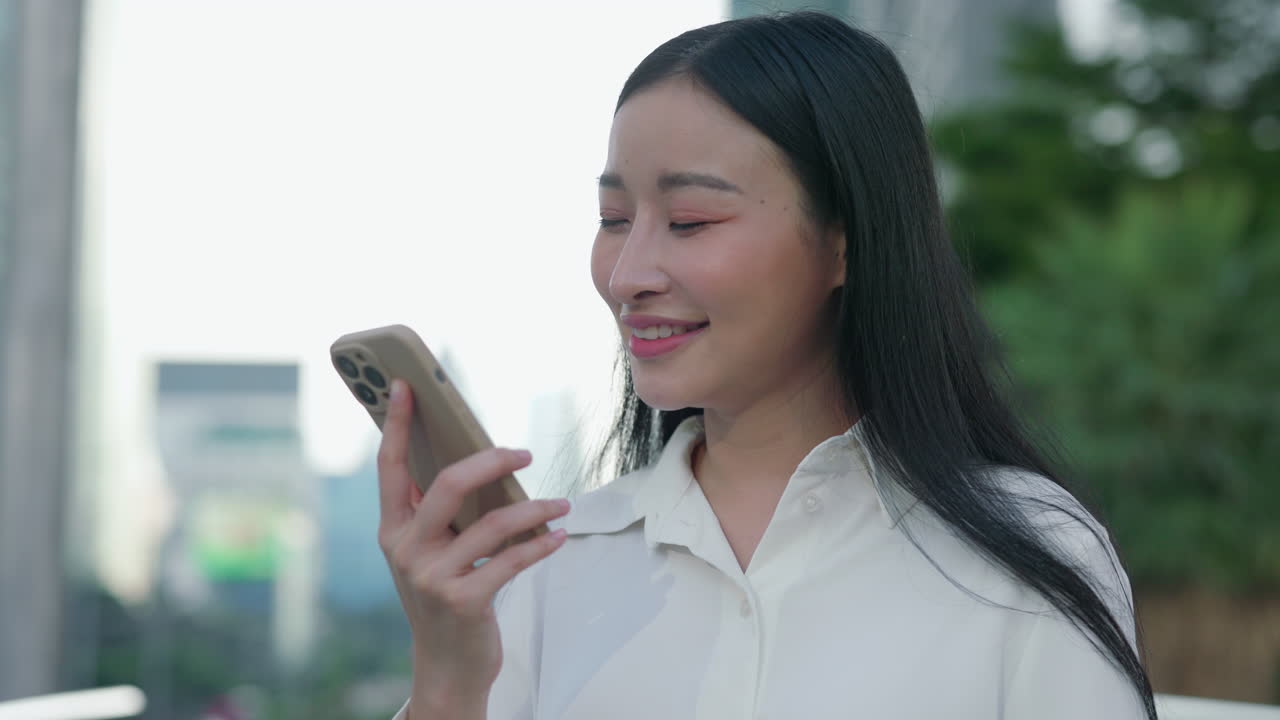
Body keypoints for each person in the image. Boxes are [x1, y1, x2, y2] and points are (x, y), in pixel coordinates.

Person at [379, 11, 1157, 720]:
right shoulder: (550, 567)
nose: (626, 275)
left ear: (846, 240)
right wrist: (446, 679)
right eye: (614, 218)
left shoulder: (1027, 561)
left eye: (690, 220)